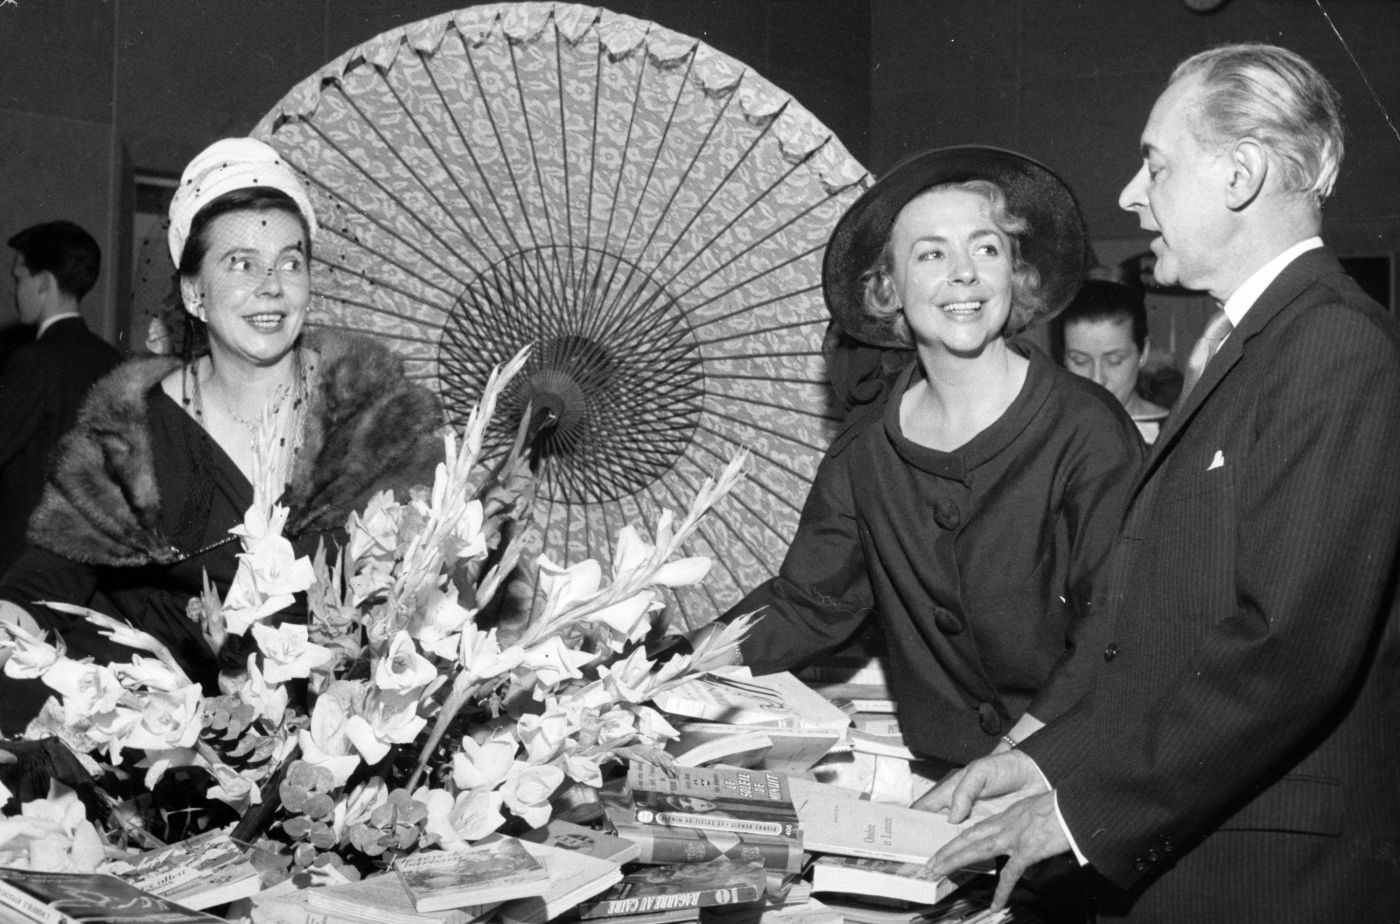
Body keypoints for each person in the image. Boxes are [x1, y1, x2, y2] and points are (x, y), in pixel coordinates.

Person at [926, 44, 1400, 922]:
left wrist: (1080, 813)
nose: (1129, 195)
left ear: (1240, 175)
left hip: (1265, 880)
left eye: (1156, 164)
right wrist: (1046, 764)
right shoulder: (1260, 343)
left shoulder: (1333, 347)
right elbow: (1164, 629)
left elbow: (1286, 648)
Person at [0, 138, 444, 732]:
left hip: (341, 737)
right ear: (194, 293)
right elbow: (43, 582)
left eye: (290, 262)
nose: (272, 285)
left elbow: (428, 589)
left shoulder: (369, 420)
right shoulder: (138, 433)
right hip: (177, 742)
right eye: (241, 263)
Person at [728, 147, 1144, 771]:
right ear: (887, 288)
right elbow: (805, 605)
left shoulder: (1088, 430)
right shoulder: (866, 451)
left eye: (986, 248)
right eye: (931, 254)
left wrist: (1010, 764)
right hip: (940, 778)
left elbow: (1114, 630)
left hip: (1069, 771)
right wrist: (650, 669)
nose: (964, 274)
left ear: (1016, 275)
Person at [0, 222, 120, 573]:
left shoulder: (34, 361)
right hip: (84, 561)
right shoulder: (111, 359)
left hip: (20, 561)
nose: (14, 290)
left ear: (43, 282)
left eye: (19, 278)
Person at [1052, 273, 1170, 443]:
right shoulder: (1048, 435)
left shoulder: (1174, 435)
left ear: (1143, 352)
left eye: (1114, 361)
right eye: (1080, 361)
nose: (1097, 379)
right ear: (1063, 357)